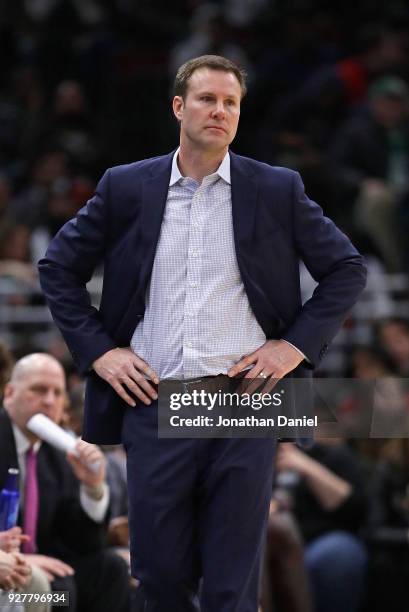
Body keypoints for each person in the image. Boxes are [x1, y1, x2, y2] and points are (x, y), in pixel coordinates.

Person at [38, 55, 367, 611]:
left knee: (230, 582)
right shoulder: (125, 187)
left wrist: (292, 347)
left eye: (231, 103)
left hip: (245, 401)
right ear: (178, 106)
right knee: (159, 575)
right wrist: (101, 353)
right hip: (157, 399)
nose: (220, 111)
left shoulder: (277, 188)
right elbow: (56, 269)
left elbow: (347, 269)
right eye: (208, 99)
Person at [0, 353, 131, 612]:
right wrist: (22, 558)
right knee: (61, 592)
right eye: (39, 390)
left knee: (110, 570)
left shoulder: (58, 452)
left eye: (58, 393)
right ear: (10, 393)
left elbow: (82, 544)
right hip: (11, 568)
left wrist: (92, 488)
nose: (49, 401)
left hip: (48, 567)